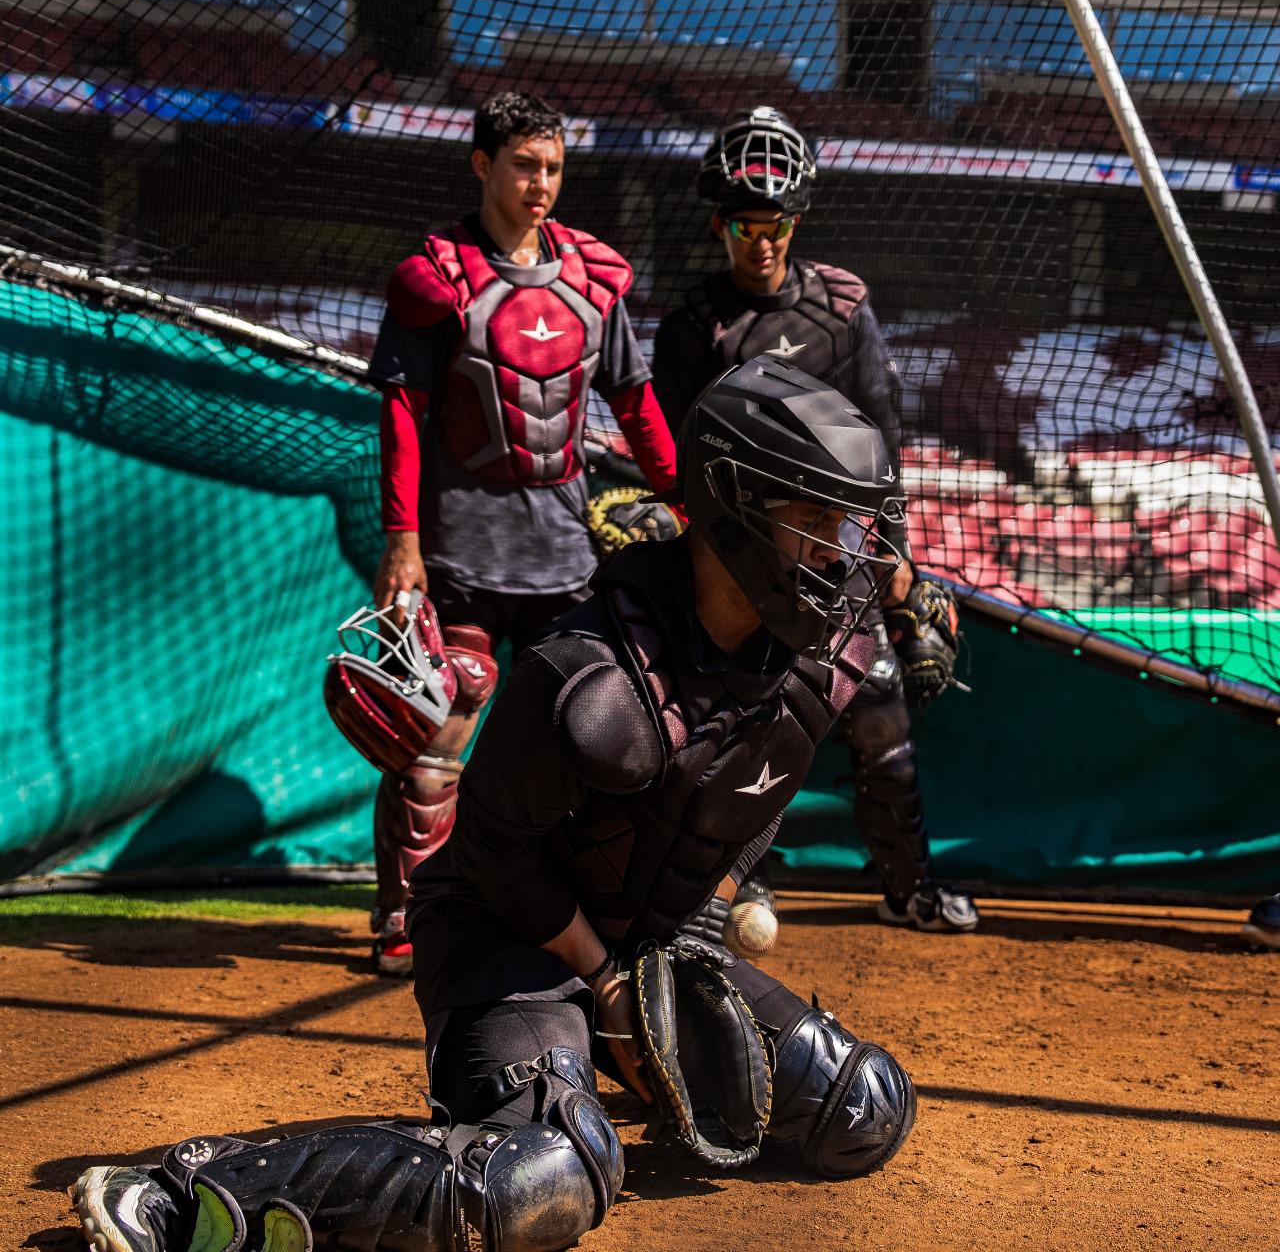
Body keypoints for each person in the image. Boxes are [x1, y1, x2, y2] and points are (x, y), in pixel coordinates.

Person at [70, 358, 918, 1252]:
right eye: (816, 521)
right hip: (505, 935)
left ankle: (590, 1071)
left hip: (645, 939)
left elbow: (750, 792)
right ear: (734, 508)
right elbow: (490, 855)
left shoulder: (819, 656)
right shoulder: (589, 684)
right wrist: (608, 984)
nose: (847, 552)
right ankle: (180, 1196)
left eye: (852, 523)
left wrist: (689, 951)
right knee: (546, 1172)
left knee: (865, 1106)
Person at [360, 91, 677, 974]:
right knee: (440, 735)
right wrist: (402, 539)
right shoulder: (437, 277)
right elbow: (404, 415)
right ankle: (411, 920)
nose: (541, 185)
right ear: (483, 165)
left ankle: (562, 916)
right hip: (459, 549)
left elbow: (636, 404)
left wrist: (684, 499)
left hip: (565, 554)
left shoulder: (594, 279)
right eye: (525, 166)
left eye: (554, 168)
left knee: (587, 740)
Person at [652, 106, 978, 934]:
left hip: (837, 548)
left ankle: (911, 890)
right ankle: (732, 887)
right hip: (735, 561)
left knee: (879, 717)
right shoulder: (693, 322)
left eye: (776, 224)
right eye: (744, 224)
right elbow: (672, 449)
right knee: (735, 727)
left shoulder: (842, 308)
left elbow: (886, 437)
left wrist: (894, 558)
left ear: (796, 220)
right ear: (720, 223)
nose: (761, 241)